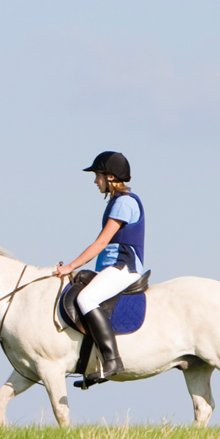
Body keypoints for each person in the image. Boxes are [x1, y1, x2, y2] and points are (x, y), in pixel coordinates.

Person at [53, 150, 146, 387]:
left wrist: (71, 266)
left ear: (111, 177)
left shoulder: (125, 203)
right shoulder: (117, 201)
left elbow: (102, 242)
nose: (96, 181)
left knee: (86, 299)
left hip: (124, 267)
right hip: (109, 267)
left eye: (98, 176)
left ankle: (112, 361)